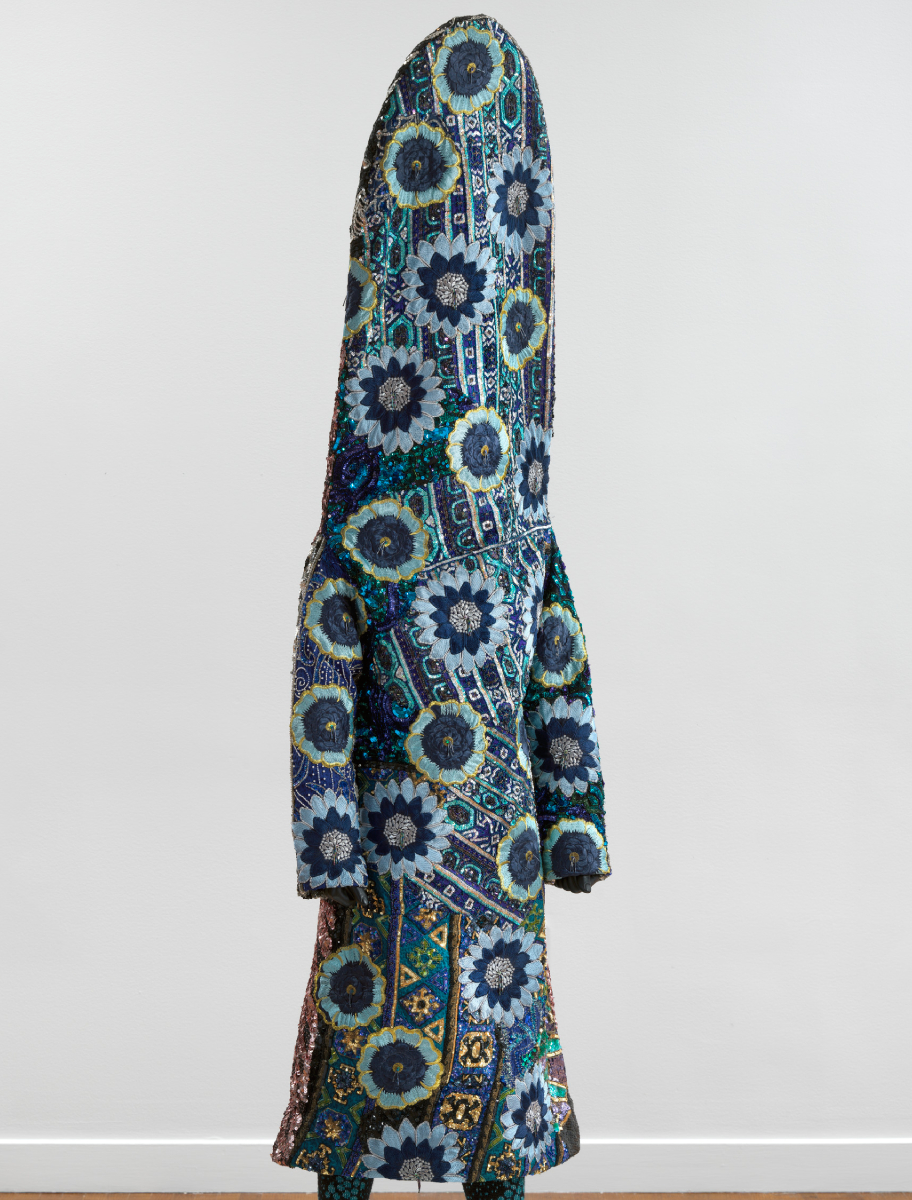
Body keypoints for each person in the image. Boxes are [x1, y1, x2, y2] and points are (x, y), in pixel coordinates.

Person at [272, 15, 612, 1198]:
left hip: (496, 855)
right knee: (365, 1059)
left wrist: (573, 824)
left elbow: (558, 673)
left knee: (496, 1071)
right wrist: (330, 837)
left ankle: (492, 1175)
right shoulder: (361, 533)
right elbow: (324, 682)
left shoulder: (524, 533)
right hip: (389, 848)